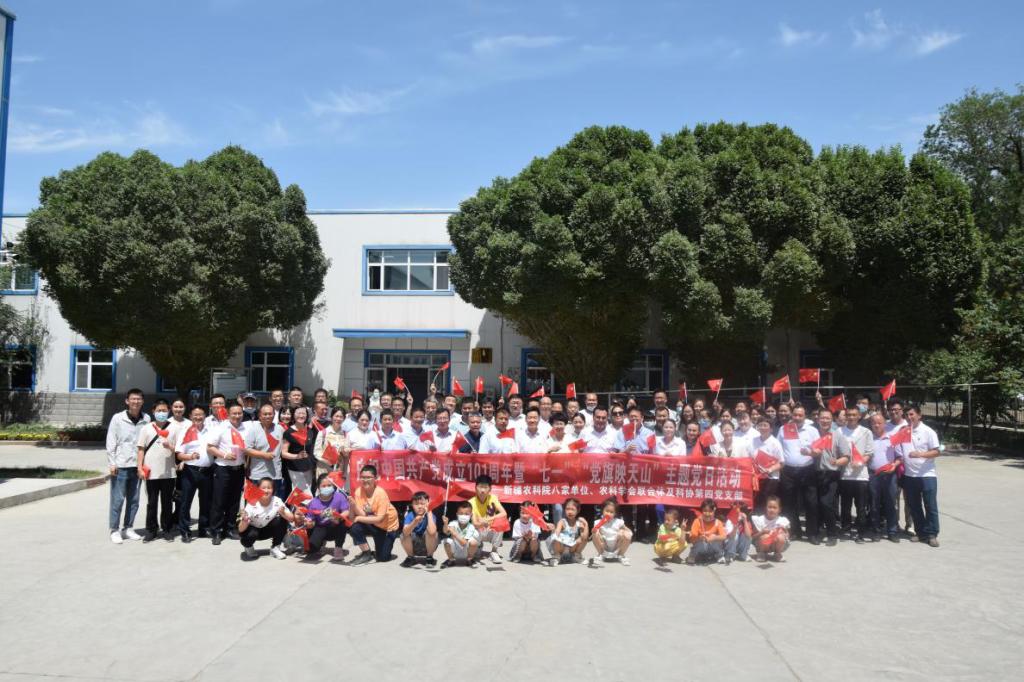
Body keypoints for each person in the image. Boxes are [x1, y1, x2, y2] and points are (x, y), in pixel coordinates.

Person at [107, 388, 151, 544]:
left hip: (137, 466)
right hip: (121, 465)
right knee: (117, 500)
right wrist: (112, 463)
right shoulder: (117, 418)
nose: (136, 402)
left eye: (139, 399)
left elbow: (147, 443)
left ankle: (128, 528)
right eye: (133, 399)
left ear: (142, 401)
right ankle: (114, 530)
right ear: (127, 401)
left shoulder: (146, 418)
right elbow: (111, 441)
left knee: (134, 500)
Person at [898, 404, 942, 547]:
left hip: (927, 475)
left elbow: (937, 451)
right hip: (909, 475)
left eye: (912, 414)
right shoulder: (903, 431)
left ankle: (932, 534)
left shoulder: (928, 431)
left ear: (919, 415)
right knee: (914, 505)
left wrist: (920, 454)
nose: (909, 417)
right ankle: (921, 532)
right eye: (907, 415)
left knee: (930, 505)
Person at [206, 404, 248, 545]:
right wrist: (224, 455)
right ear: (228, 414)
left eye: (239, 413)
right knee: (219, 501)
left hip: (239, 469)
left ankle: (230, 528)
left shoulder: (245, 428)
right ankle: (216, 531)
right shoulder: (221, 427)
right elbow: (210, 447)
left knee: (235, 501)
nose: (237, 416)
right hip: (223, 469)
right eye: (234, 413)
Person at [778, 404, 820, 542]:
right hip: (788, 471)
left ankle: (812, 533)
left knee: (811, 502)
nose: (797, 417)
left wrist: (811, 452)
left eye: (800, 415)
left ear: (805, 416)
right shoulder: (783, 429)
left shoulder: (812, 430)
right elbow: (778, 449)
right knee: (789, 503)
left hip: (807, 470)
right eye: (795, 415)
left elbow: (819, 450)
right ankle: (795, 531)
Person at [138, 399, 176, 542]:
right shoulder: (146, 428)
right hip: (151, 472)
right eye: (159, 410)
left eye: (164, 410)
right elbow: (141, 449)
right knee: (152, 503)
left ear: (169, 411)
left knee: (167, 502)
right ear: (153, 411)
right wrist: (139, 468)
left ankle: (167, 529)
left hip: (169, 472)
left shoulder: (174, 428)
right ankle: (151, 530)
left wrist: (170, 446)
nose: (161, 413)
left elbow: (180, 449)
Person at [811, 409, 850, 545]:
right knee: (815, 504)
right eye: (822, 418)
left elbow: (846, 456)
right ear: (818, 419)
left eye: (827, 418)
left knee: (826, 503)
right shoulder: (813, 434)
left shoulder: (837, 435)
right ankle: (817, 532)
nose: (825, 421)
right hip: (813, 473)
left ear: (832, 420)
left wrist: (837, 462)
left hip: (831, 474)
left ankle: (832, 534)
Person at [348, 464, 400, 565]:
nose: (365, 480)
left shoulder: (381, 494)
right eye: (362, 477)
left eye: (368, 477)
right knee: (355, 527)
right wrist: (352, 506)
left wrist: (358, 518)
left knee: (383, 558)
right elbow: (361, 514)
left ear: (375, 478)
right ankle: (366, 553)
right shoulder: (358, 491)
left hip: (387, 528)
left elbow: (379, 519)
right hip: (373, 523)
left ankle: (380, 549)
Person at [175, 405, 213, 542]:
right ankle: (185, 531)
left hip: (207, 471)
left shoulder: (211, 431)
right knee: (186, 502)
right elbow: (179, 454)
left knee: (206, 502)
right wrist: (190, 457)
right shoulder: (185, 432)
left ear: (205, 416)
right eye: (195, 415)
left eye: (201, 414)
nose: (198, 417)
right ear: (190, 416)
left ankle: (204, 528)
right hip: (190, 471)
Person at [238, 477, 295, 560]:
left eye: (269, 488)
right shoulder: (252, 503)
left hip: (267, 530)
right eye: (263, 488)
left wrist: (283, 513)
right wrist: (245, 521)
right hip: (253, 532)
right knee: (251, 534)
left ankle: (275, 548)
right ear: (258, 489)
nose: (266, 490)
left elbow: (291, 518)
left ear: (273, 490)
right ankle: (248, 547)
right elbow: (240, 529)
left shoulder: (277, 501)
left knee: (281, 519)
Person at [840, 405, 873, 543]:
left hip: (861, 476)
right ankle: (846, 528)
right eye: (849, 415)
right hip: (845, 475)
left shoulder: (866, 432)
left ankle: (860, 533)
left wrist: (860, 462)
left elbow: (869, 452)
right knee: (845, 505)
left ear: (859, 416)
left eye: (854, 415)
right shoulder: (839, 431)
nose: (851, 417)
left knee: (861, 506)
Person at [298, 472, 350, 559]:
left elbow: (346, 511)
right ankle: (318, 546)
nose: (327, 488)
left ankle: (338, 548)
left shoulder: (339, 496)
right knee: (311, 552)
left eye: (329, 485)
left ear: (333, 486)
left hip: (335, 526)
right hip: (320, 528)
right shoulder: (313, 502)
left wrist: (339, 517)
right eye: (324, 486)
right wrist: (308, 523)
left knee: (343, 524)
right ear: (318, 488)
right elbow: (310, 520)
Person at [868, 413, 900, 542]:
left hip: (889, 475)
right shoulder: (868, 438)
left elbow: (900, 457)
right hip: (873, 474)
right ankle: (876, 531)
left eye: (879, 422)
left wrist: (894, 465)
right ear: (871, 424)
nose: (876, 425)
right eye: (874, 423)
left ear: (885, 424)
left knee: (891, 503)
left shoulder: (892, 438)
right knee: (874, 504)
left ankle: (892, 531)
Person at [469, 474, 508, 564]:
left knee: (501, 521)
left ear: (490, 489)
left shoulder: (493, 498)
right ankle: (478, 546)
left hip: (491, 530)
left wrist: (489, 519)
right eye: (480, 487)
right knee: (473, 531)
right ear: (475, 488)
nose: (482, 490)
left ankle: (494, 551)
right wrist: (482, 523)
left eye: (485, 487)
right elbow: (474, 523)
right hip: (478, 530)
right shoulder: (471, 502)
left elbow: (504, 513)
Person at [245, 404, 283, 492]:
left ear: (274, 415)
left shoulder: (280, 428)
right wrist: (263, 455)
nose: (268, 416)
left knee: (274, 500)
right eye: (265, 414)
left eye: (270, 414)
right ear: (260, 416)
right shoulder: (254, 429)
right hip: (258, 474)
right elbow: (246, 449)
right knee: (257, 500)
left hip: (275, 474)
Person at [750, 416, 784, 512]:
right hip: (756, 477)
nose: (762, 427)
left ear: (771, 429)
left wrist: (769, 469)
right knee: (755, 502)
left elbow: (781, 463)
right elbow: (749, 457)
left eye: (765, 425)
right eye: (760, 425)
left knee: (765, 503)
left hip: (770, 478)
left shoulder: (775, 443)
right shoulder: (753, 440)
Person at [399, 491, 439, 567]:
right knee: (403, 535)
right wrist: (415, 521)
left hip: (428, 546)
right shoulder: (410, 515)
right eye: (416, 504)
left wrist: (429, 511)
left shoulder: (430, 515)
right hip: (413, 546)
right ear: (412, 505)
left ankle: (429, 557)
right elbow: (405, 532)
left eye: (423, 504)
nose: (420, 506)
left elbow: (432, 532)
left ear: (427, 504)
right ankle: (410, 557)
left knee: (434, 533)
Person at [282, 405, 317, 492]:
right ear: (293, 415)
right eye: (298, 413)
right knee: (301, 494)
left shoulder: (310, 431)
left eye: (303, 413)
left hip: (308, 468)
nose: (301, 416)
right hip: (295, 469)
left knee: (309, 493)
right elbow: (283, 453)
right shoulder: (288, 432)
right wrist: (297, 456)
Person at [590, 497, 632, 565]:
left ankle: (621, 555)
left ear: (615, 513)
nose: (608, 514)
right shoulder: (598, 522)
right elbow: (594, 533)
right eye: (607, 511)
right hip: (604, 545)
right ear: (602, 510)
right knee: (595, 533)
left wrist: (626, 533)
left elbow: (628, 530)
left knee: (625, 534)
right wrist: (594, 531)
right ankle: (600, 554)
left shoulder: (618, 522)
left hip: (617, 545)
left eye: (611, 512)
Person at [549, 497, 589, 565]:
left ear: (578, 510)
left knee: (582, 539)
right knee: (555, 538)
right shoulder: (562, 522)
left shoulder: (579, 522)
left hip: (572, 549)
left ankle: (576, 556)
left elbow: (584, 537)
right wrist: (553, 530)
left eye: (572, 509)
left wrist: (586, 524)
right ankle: (556, 557)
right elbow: (556, 533)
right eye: (567, 509)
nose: (570, 512)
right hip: (562, 549)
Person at [686, 499, 727, 565]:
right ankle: (692, 556)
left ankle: (719, 556)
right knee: (700, 542)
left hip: (712, 549)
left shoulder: (718, 522)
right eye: (705, 511)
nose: (707, 514)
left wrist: (714, 538)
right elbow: (692, 540)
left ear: (714, 511)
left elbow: (724, 537)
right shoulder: (697, 521)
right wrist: (699, 538)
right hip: (701, 547)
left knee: (715, 538)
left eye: (710, 511)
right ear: (702, 511)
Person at [751, 496, 790, 562]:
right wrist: (762, 532)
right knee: (765, 536)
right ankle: (761, 553)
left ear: (779, 509)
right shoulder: (760, 519)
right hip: (762, 544)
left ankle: (777, 553)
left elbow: (787, 536)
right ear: (765, 508)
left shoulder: (782, 520)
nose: (772, 510)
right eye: (769, 507)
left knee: (781, 537)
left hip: (775, 544)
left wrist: (784, 531)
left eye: (775, 508)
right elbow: (753, 537)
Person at [442, 502, 480, 568]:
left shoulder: (471, 527)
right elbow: (446, 531)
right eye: (461, 513)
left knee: (474, 542)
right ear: (457, 514)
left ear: (471, 515)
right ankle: (451, 560)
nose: (463, 516)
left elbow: (464, 542)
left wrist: (454, 533)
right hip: (455, 551)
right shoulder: (453, 523)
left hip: (466, 552)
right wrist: (445, 524)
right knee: (446, 541)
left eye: (466, 514)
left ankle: (469, 559)